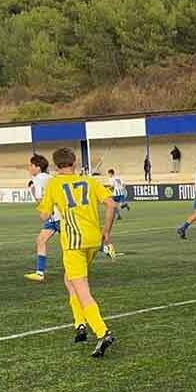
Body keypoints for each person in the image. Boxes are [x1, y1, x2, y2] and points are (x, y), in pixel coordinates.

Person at [35, 147, 117, 358]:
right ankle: (79, 324)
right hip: (93, 239)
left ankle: (102, 331)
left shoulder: (54, 184)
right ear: (75, 162)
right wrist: (106, 231)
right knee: (69, 279)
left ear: (55, 165)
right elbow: (111, 204)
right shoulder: (90, 181)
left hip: (73, 242)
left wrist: (43, 202)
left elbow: (44, 216)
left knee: (81, 288)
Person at [24, 154, 59, 282]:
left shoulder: (38, 179)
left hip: (56, 216)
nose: (29, 168)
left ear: (37, 167)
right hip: (56, 215)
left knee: (77, 241)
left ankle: (104, 247)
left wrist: (32, 192)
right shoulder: (50, 177)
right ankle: (40, 273)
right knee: (40, 240)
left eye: (31, 165)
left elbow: (40, 200)